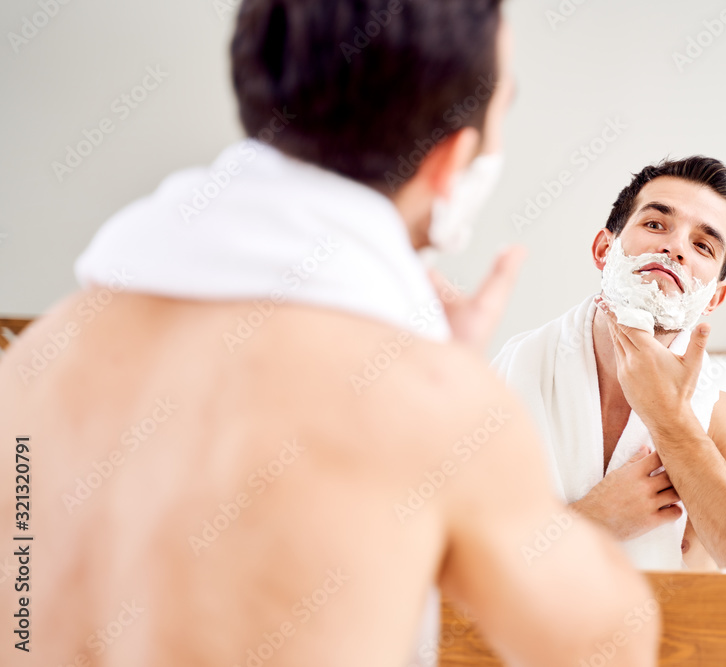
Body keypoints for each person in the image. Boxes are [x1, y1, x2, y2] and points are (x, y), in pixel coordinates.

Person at [0, 2, 660, 665]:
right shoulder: (433, 406)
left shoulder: (35, 364)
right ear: (450, 162)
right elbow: (609, 646)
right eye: (503, 108)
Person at [494, 157, 726, 572]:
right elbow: (438, 560)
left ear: (713, 298)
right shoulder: (502, 385)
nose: (675, 247)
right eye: (656, 225)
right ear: (604, 250)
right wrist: (592, 522)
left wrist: (673, 423)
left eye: (703, 245)